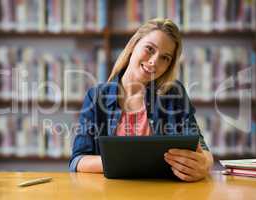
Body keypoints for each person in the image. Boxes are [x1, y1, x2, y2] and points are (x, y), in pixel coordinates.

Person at [69, 18, 214, 182]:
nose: (154, 62)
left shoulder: (174, 93)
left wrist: (205, 164)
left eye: (165, 58)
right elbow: (77, 161)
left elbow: (202, 148)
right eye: (150, 49)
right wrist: (129, 162)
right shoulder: (96, 97)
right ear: (133, 46)